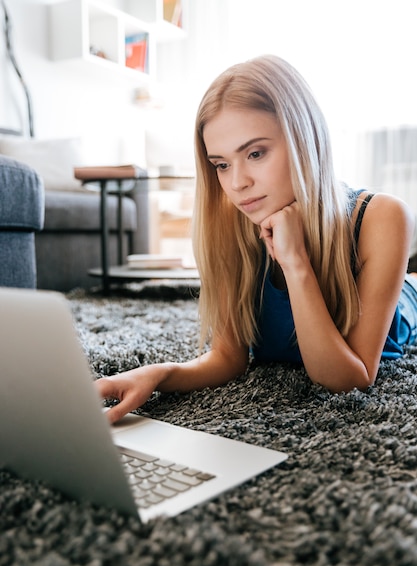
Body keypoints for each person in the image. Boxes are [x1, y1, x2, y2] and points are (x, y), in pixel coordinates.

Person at [96, 55, 417, 424]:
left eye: (255, 153)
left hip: (400, 300)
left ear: (304, 139)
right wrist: (157, 375)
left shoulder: (382, 216)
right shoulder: (230, 226)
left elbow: (348, 381)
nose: (237, 183)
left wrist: (295, 262)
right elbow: (227, 358)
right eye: (222, 164)